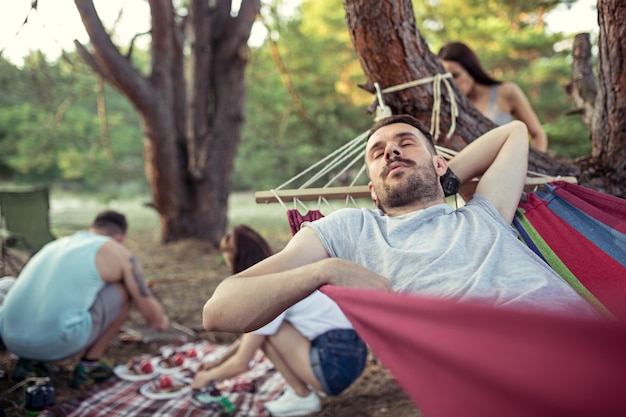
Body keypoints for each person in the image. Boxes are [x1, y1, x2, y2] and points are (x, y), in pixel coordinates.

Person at [201, 115, 600, 340]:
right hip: (489, 364)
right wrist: (325, 270)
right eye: (377, 153)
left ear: (441, 163)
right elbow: (218, 310)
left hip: (585, 340)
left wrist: (437, 179)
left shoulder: (485, 212)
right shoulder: (352, 229)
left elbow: (513, 132)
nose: (390, 149)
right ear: (372, 189)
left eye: (405, 143)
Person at [192, 225, 367, 417]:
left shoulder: (266, 291)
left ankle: (302, 396)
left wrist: (207, 377)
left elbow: (242, 362)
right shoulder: (283, 272)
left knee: (266, 330)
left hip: (336, 366)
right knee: (263, 330)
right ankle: (300, 392)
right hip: (351, 355)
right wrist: (218, 361)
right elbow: (249, 340)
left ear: (235, 257)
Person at [0, 210, 170, 388]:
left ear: (92, 228)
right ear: (120, 238)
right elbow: (155, 320)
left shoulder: (56, 244)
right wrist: (163, 320)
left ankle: (28, 363)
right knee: (124, 291)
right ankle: (88, 367)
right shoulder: (118, 252)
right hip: (55, 343)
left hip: (10, 338)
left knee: (13, 285)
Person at [437, 41, 548, 152]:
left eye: (456, 75)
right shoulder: (448, 105)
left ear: (470, 68)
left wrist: (532, 165)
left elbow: (538, 135)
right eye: (447, 78)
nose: (452, 83)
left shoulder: (506, 92)